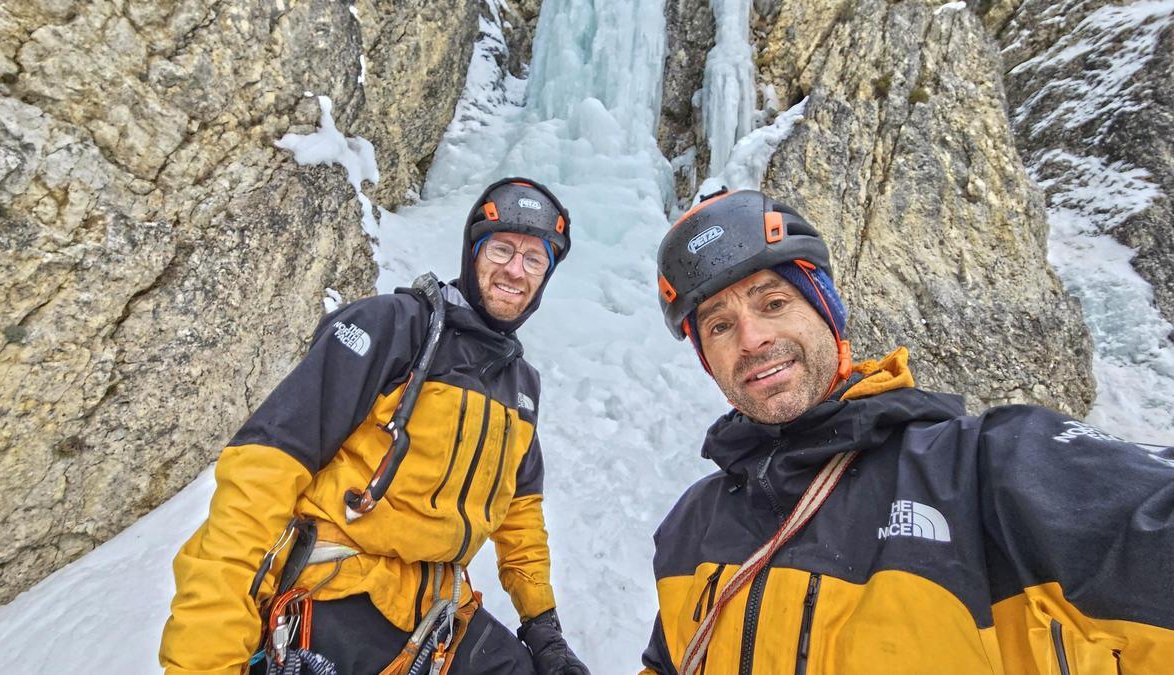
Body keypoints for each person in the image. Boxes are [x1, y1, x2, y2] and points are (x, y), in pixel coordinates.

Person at [639, 188, 1174, 674]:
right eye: (719, 325)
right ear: (708, 358)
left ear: (826, 312)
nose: (751, 339)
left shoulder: (989, 470)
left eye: (773, 303)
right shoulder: (690, 528)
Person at [159, 177, 590, 675]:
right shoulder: (393, 327)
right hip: (332, 591)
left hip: (435, 610)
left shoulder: (521, 388)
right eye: (501, 249)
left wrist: (543, 629)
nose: (515, 270)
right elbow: (260, 478)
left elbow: (520, 517)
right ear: (472, 253)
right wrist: (205, 662)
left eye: (535, 259)